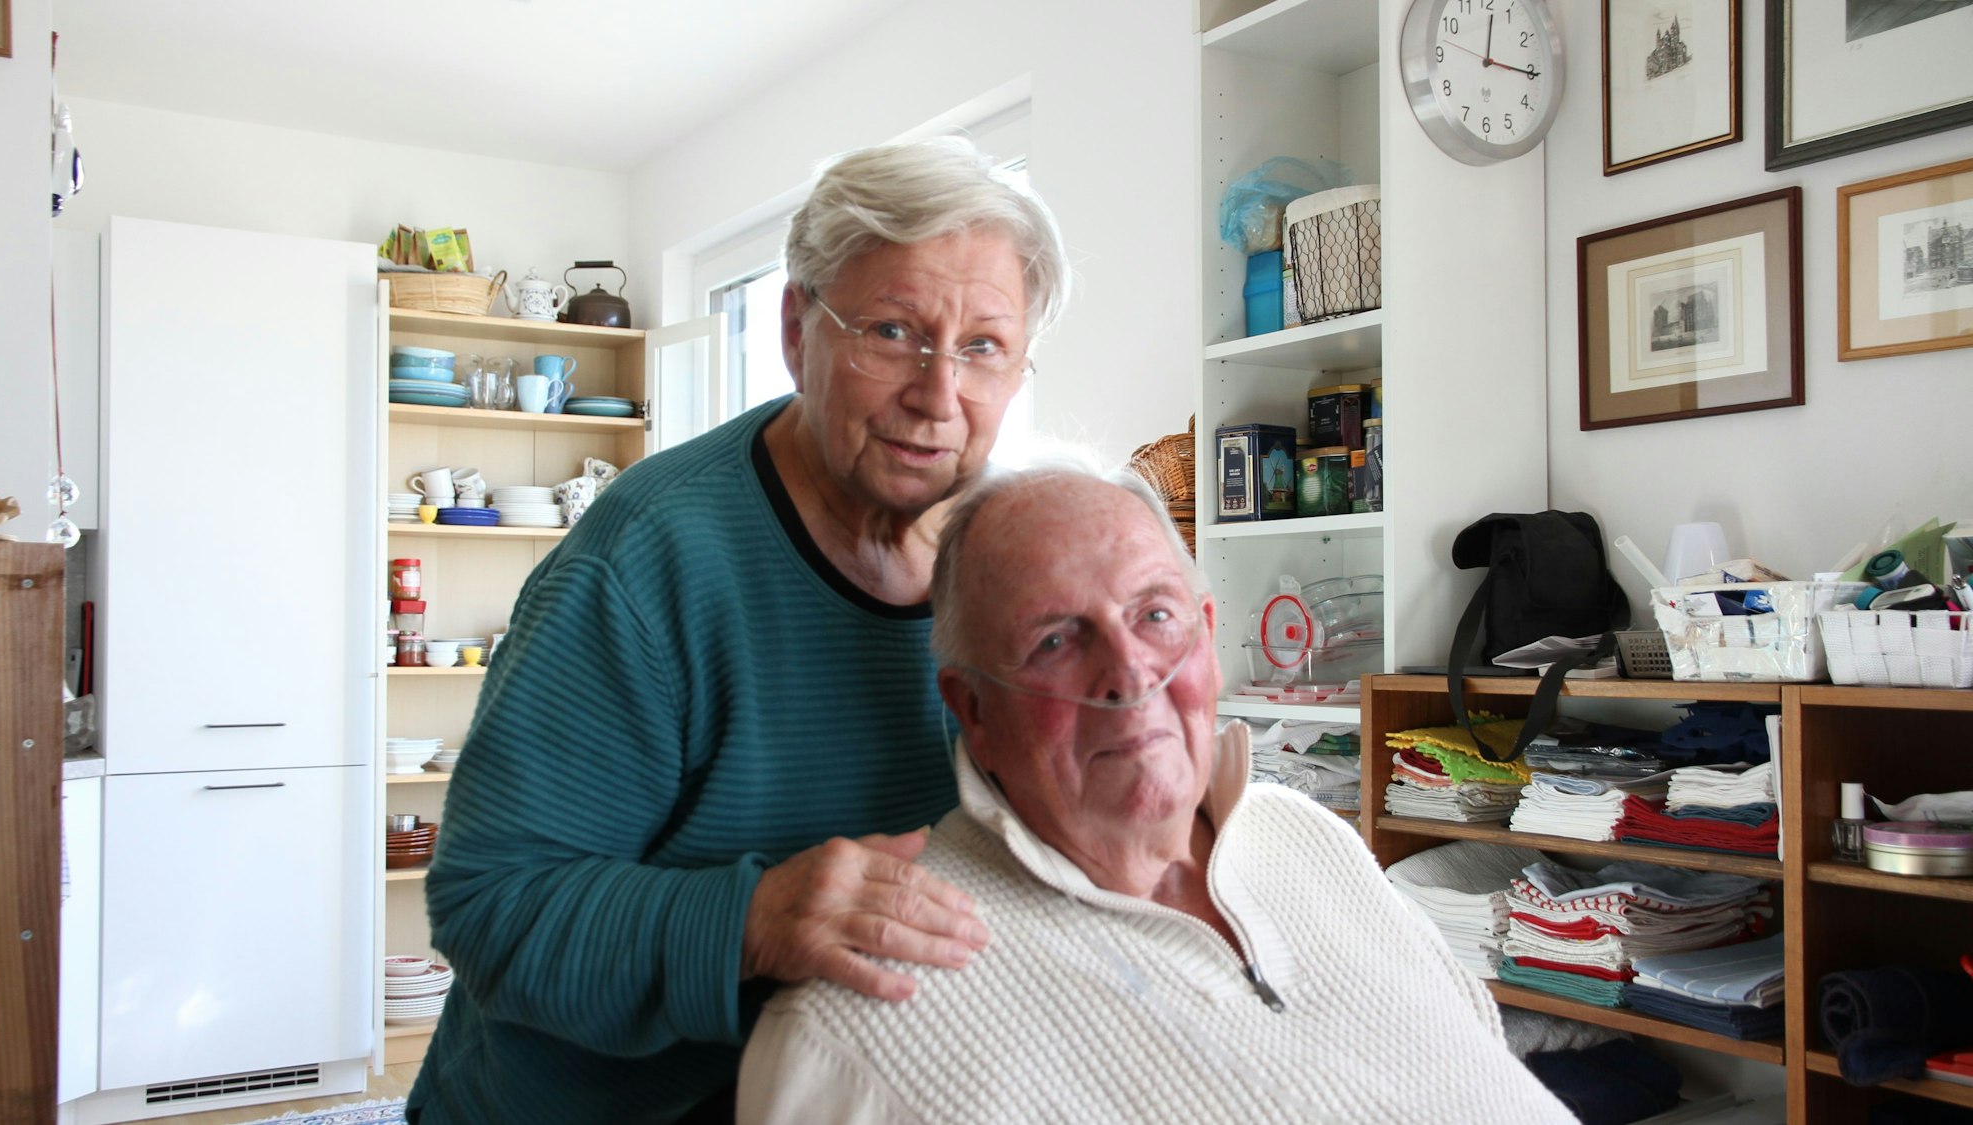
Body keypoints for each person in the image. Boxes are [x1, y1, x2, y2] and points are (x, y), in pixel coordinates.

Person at [406, 137, 1070, 1124]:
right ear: (796, 328)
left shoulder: (1015, 560)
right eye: (892, 331)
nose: (938, 397)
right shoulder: (646, 562)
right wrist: (751, 923)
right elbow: (489, 904)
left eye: (982, 346)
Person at [737, 466, 1578, 1124]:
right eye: (1056, 638)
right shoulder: (864, 1022)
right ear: (973, 709)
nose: (1129, 673)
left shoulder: (1307, 835)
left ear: (1210, 638)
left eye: (1155, 615)